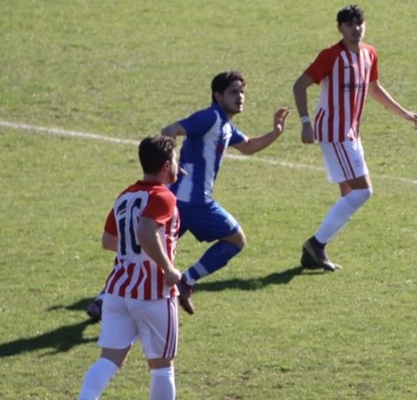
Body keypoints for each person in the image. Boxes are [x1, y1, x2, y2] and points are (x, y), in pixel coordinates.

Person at [87, 70, 290, 318]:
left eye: (242, 92)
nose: (240, 97)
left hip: (179, 202)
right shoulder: (209, 117)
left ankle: (103, 300)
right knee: (236, 239)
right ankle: (187, 280)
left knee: (145, 250)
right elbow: (169, 128)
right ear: (218, 95)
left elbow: (248, 147)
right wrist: (171, 163)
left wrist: (276, 132)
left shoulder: (225, 126)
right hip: (193, 202)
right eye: (233, 92)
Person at [292, 4, 417, 271]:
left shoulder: (369, 54)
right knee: (363, 191)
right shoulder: (330, 56)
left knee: (349, 193)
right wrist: (305, 123)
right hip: (334, 131)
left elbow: (374, 88)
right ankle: (316, 244)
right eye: (350, 25)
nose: (356, 29)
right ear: (340, 28)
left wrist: (405, 113)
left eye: (359, 24)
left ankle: (315, 253)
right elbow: (299, 85)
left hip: (352, 132)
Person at [78, 135, 182, 400]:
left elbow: (109, 241)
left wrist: (134, 251)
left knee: (109, 360)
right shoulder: (163, 197)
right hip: (153, 294)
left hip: (117, 291)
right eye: (175, 159)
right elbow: (146, 230)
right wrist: (168, 268)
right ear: (166, 164)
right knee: (161, 367)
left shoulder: (125, 196)